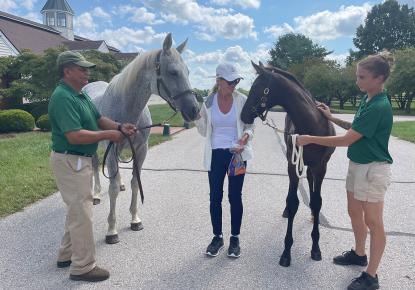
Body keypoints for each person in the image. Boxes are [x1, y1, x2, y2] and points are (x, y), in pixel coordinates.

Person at [297, 51, 394, 290]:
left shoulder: (379, 105)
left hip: (373, 169)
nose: (357, 81)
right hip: (358, 166)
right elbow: (356, 128)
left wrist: (310, 138)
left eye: (362, 77)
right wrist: (331, 117)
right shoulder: (368, 99)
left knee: (374, 221)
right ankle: (359, 254)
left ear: (379, 78)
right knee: (354, 212)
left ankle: (371, 276)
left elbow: (348, 140)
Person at [48, 51, 136, 282]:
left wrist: (119, 126)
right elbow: (74, 135)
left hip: (79, 161)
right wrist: (110, 134)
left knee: (77, 210)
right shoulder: (63, 97)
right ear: (67, 71)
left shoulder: (79, 95)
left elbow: (98, 118)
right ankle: (83, 267)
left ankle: (65, 255)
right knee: (82, 215)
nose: (87, 72)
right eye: (82, 68)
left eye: (87, 68)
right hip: (70, 160)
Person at [195, 63, 254, 258]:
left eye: (236, 81)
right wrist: (197, 118)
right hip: (216, 154)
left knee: (235, 197)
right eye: (230, 81)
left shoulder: (241, 100)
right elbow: (204, 131)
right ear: (219, 81)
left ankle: (235, 238)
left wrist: (245, 138)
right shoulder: (208, 102)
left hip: (237, 155)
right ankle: (217, 237)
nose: (234, 85)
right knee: (215, 197)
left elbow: (249, 125)